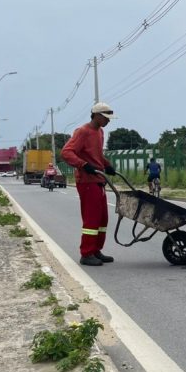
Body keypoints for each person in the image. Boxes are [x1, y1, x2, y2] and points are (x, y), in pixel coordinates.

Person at [61, 102, 118, 266]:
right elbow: (66, 153)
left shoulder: (100, 132)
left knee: (102, 219)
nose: (109, 121)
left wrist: (106, 164)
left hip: (99, 180)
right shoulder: (83, 132)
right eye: (106, 118)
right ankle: (86, 254)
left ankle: (96, 250)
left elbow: (97, 155)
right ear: (97, 116)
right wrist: (83, 165)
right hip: (87, 181)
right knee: (91, 219)